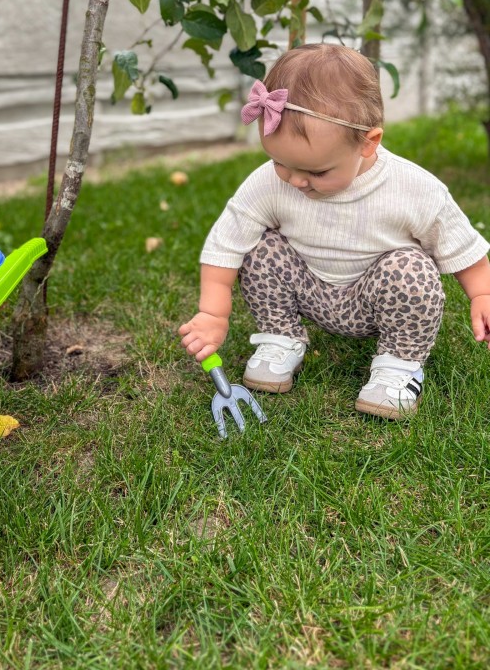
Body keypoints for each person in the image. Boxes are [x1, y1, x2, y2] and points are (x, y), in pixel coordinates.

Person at [179, 43, 490, 419]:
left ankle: (398, 365)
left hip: (376, 297)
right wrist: (213, 314)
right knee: (257, 246)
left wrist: (483, 293)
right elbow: (226, 243)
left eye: (317, 172)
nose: (295, 180)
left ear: (367, 142)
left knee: (412, 268)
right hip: (308, 288)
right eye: (280, 162)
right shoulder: (269, 183)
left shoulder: (414, 189)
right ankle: (282, 338)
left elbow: (461, 246)